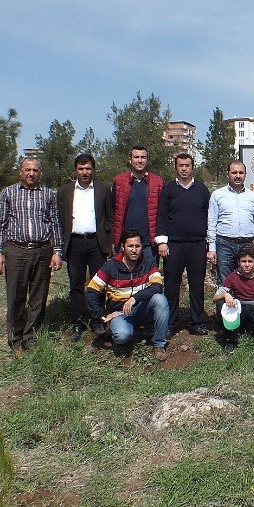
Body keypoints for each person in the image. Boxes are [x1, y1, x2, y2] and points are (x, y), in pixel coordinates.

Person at [0, 157, 63, 358]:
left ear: (40, 172)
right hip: (17, 251)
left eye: (35, 170)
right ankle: (15, 340)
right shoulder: (9, 193)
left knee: (38, 297)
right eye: (27, 170)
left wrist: (57, 251)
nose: (31, 174)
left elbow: (55, 224)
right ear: (20, 172)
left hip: (42, 251)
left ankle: (31, 337)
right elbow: (0, 223)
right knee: (16, 296)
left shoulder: (48, 194)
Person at [85, 229, 170, 364]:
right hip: (120, 313)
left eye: (138, 246)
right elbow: (91, 291)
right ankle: (121, 331)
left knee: (160, 299)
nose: (134, 250)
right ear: (123, 247)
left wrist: (135, 298)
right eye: (130, 246)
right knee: (121, 336)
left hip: (142, 308)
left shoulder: (148, 263)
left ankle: (159, 344)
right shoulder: (111, 266)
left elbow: (157, 286)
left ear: (142, 247)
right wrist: (101, 316)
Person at [58, 153, 113, 341]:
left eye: (88, 168)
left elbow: (110, 216)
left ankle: (97, 319)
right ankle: (78, 322)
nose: (84, 172)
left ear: (93, 169)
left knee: (98, 283)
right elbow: (60, 220)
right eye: (81, 169)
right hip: (74, 243)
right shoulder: (65, 191)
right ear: (76, 170)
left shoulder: (103, 189)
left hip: (96, 243)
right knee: (76, 284)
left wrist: (106, 235)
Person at [156, 153, 212, 336]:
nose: (184, 168)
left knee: (197, 285)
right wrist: (162, 242)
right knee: (172, 285)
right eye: (180, 165)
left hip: (197, 244)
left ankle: (197, 322)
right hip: (174, 245)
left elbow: (209, 217)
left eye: (187, 165)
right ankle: (171, 323)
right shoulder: (169, 189)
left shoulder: (202, 190)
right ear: (176, 167)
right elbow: (162, 216)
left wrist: (209, 244)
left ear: (192, 167)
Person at [207, 160, 254, 285]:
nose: (237, 175)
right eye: (234, 172)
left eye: (241, 173)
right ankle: (225, 305)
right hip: (224, 244)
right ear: (228, 174)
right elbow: (211, 222)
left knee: (246, 282)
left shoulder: (253, 196)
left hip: (247, 244)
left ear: (245, 175)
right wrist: (212, 248)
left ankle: (244, 305)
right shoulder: (217, 195)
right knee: (224, 283)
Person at [213, 242, 254, 353]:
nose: (246, 264)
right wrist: (225, 295)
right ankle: (230, 339)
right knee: (220, 304)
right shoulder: (233, 277)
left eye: (250, 261)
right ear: (238, 262)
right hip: (239, 307)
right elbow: (215, 298)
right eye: (243, 261)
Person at [111, 145, 164, 256]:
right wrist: (115, 240)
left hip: (149, 244)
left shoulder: (158, 182)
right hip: (124, 243)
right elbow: (113, 213)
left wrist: (160, 240)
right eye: (136, 157)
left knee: (150, 274)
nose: (140, 160)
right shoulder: (119, 181)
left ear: (147, 160)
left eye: (143, 157)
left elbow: (162, 214)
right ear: (130, 160)